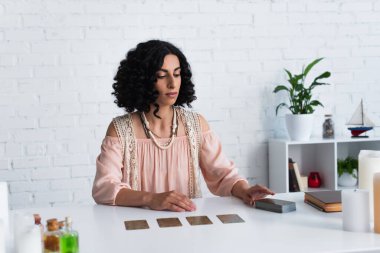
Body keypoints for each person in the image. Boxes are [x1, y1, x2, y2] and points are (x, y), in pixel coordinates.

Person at [92, 40, 274, 212]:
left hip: (188, 224)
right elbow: (105, 187)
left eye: (177, 74)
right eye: (162, 76)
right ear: (142, 80)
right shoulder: (120, 130)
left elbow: (223, 175)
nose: (172, 83)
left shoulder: (196, 126)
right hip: (136, 227)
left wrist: (245, 190)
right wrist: (151, 199)